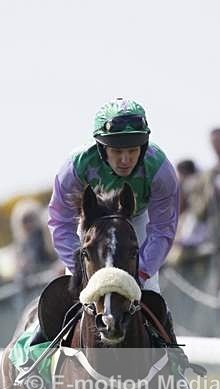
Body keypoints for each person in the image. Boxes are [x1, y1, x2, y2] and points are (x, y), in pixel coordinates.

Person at [48, 97, 179, 294]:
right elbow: (60, 223)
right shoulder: (76, 166)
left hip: (136, 221)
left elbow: (162, 229)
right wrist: (80, 269)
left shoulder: (160, 170)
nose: (125, 160)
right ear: (102, 148)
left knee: (150, 291)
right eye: (117, 151)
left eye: (133, 150)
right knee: (71, 294)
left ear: (143, 148)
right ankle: (38, 326)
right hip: (91, 225)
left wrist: (141, 273)